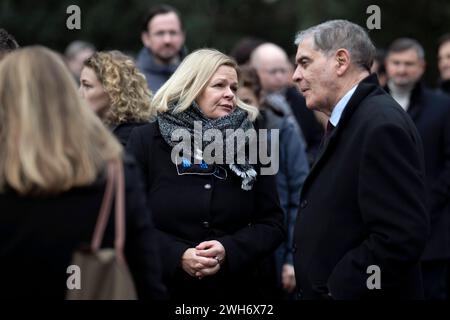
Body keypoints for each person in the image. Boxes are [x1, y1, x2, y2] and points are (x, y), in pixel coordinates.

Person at [0, 46, 166, 299]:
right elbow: (144, 274)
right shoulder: (114, 172)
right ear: (64, 93)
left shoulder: (124, 154)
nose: (80, 94)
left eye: (87, 85)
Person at [127, 48, 285, 301]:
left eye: (234, 87)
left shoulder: (255, 139)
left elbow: (273, 223)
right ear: (192, 87)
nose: (230, 94)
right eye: (219, 85)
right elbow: (129, 220)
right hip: (165, 288)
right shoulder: (145, 140)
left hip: (238, 290)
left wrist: (228, 250)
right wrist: (177, 255)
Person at [292, 20, 429, 299]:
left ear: (341, 61)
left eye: (305, 62)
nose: (296, 75)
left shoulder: (379, 125)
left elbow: (399, 237)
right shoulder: (355, 118)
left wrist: (336, 290)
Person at [385, 37, 450, 300]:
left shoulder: (443, 106)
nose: (401, 70)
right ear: (386, 65)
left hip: (433, 231)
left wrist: (426, 202)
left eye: (408, 64)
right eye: (396, 63)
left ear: (422, 67)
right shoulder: (370, 104)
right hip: (382, 230)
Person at [237, 66, 309, 298]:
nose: (241, 108)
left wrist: (292, 258)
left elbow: (300, 195)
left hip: (277, 252)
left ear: (260, 99)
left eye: (247, 100)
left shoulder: (282, 131)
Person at [250, 42, 324, 166]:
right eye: (273, 72)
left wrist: (309, 160)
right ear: (255, 71)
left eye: (283, 71)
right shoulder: (249, 101)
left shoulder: (299, 98)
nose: (279, 76)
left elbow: (317, 138)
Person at [79, 51, 154, 146]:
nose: (79, 94)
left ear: (113, 91)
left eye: (87, 86)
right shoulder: (92, 129)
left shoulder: (133, 139)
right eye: (81, 84)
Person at [137, 4, 187, 92]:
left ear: (182, 36)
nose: (167, 40)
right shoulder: (133, 80)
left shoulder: (197, 76)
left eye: (173, 32)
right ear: (146, 38)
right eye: (160, 33)